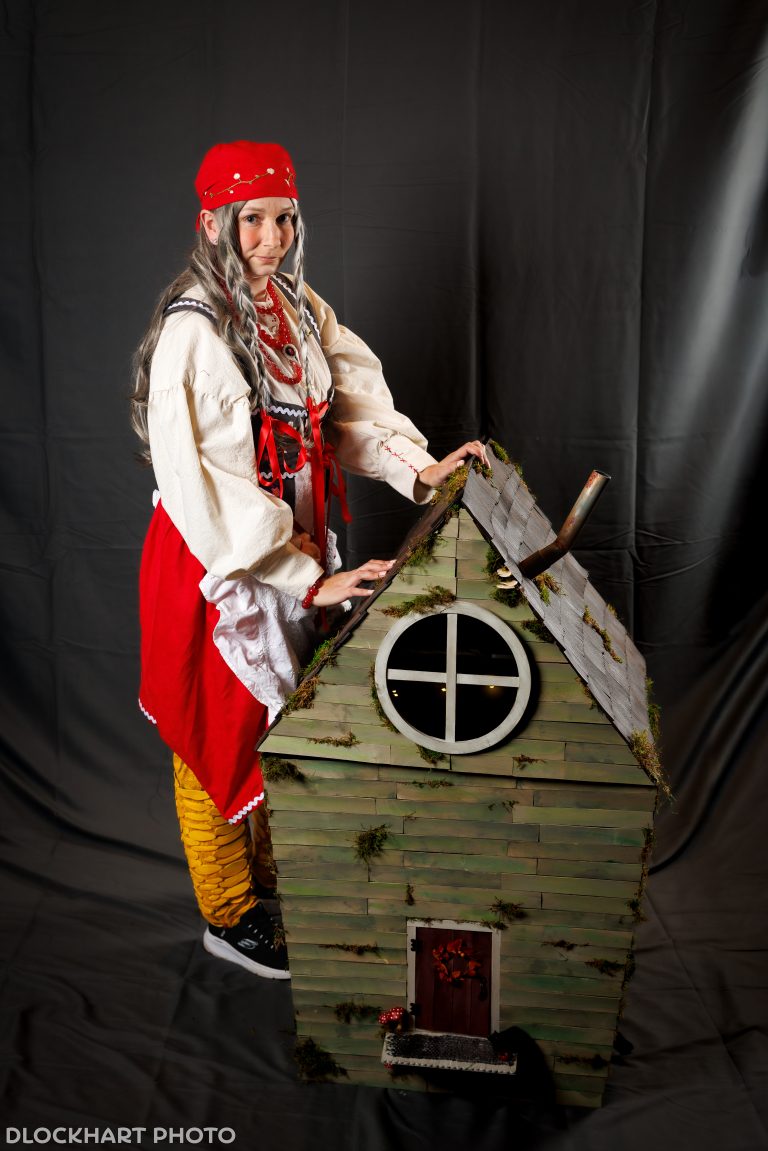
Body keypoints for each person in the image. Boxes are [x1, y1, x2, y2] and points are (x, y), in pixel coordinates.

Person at [131, 139, 487, 980]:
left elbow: (343, 410)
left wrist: (420, 466)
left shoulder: (294, 307)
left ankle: (264, 884)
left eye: (284, 218)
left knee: (278, 724)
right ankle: (228, 913)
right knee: (217, 735)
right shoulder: (194, 332)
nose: (272, 238)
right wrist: (306, 576)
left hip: (292, 545)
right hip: (218, 565)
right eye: (252, 220)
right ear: (213, 224)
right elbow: (203, 488)